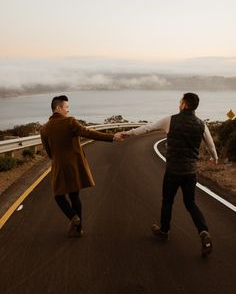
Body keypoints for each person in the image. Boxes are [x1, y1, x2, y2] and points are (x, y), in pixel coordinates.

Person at [119, 92, 218, 257]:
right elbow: (211, 145)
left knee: (167, 201)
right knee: (190, 203)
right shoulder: (201, 124)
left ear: (184, 104)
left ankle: (164, 231)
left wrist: (127, 133)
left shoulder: (170, 120)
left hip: (173, 171)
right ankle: (203, 232)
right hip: (190, 172)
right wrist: (214, 158)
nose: (179, 103)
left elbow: (147, 128)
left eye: (180, 101)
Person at [40, 95, 122, 237]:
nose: (68, 111)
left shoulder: (44, 129)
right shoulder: (70, 122)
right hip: (74, 166)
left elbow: (49, 152)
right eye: (66, 108)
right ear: (58, 108)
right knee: (74, 196)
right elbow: (88, 133)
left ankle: (73, 217)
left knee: (58, 196)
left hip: (58, 166)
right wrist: (112, 137)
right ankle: (79, 228)